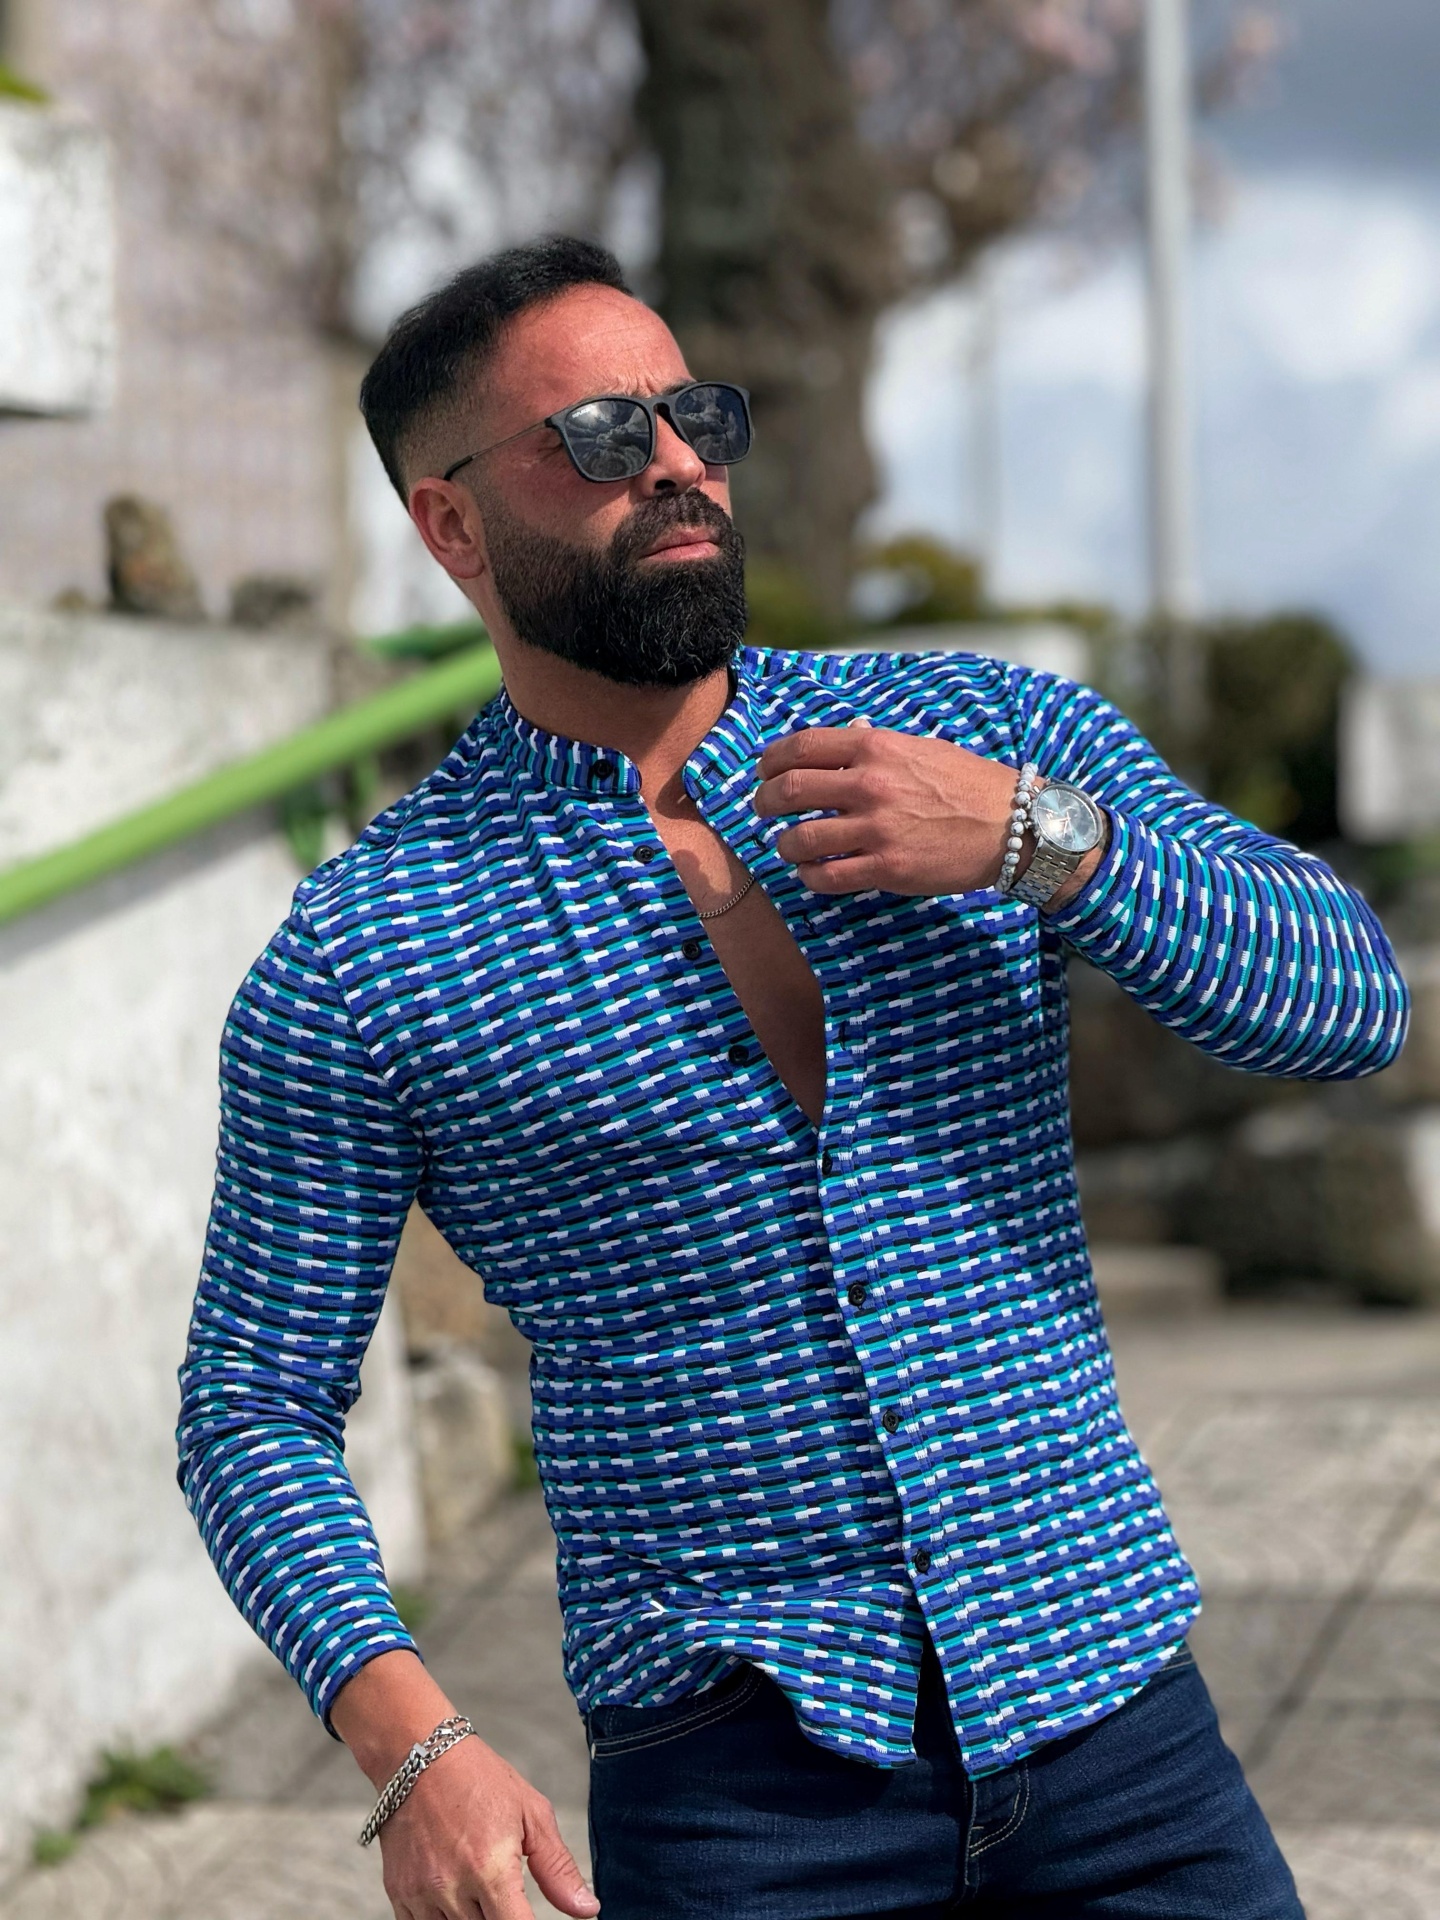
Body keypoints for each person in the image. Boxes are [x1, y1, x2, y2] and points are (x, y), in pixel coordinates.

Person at [178, 236, 1407, 1920]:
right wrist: (413, 1748)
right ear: (450, 524)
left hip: (1113, 1715)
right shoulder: (367, 946)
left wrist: (1041, 843)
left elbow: (1350, 1003)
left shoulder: (979, 734)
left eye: (695, 416)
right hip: (744, 1795)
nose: (677, 463)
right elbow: (251, 1404)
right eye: (601, 435)